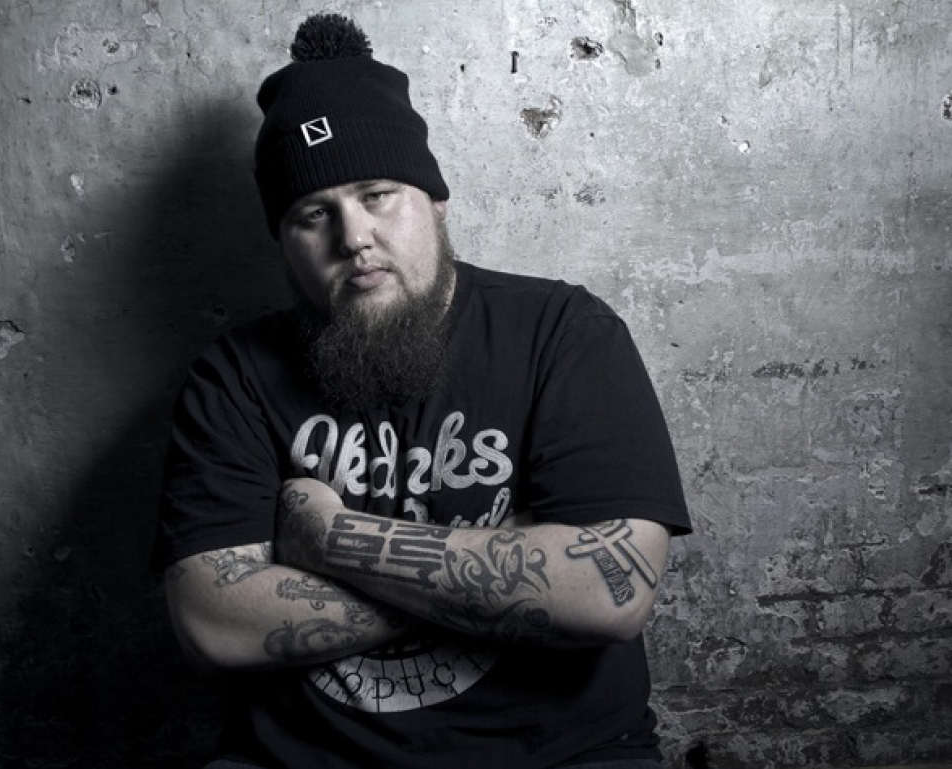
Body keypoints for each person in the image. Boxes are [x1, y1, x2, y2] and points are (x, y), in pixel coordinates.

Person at [156, 13, 691, 769]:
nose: (353, 237)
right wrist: (511, 572)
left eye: (377, 194)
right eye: (313, 214)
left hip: (564, 755)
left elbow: (608, 592)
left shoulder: (564, 331)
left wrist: (328, 540)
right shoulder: (234, 375)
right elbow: (213, 622)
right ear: (283, 241)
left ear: (435, 199)